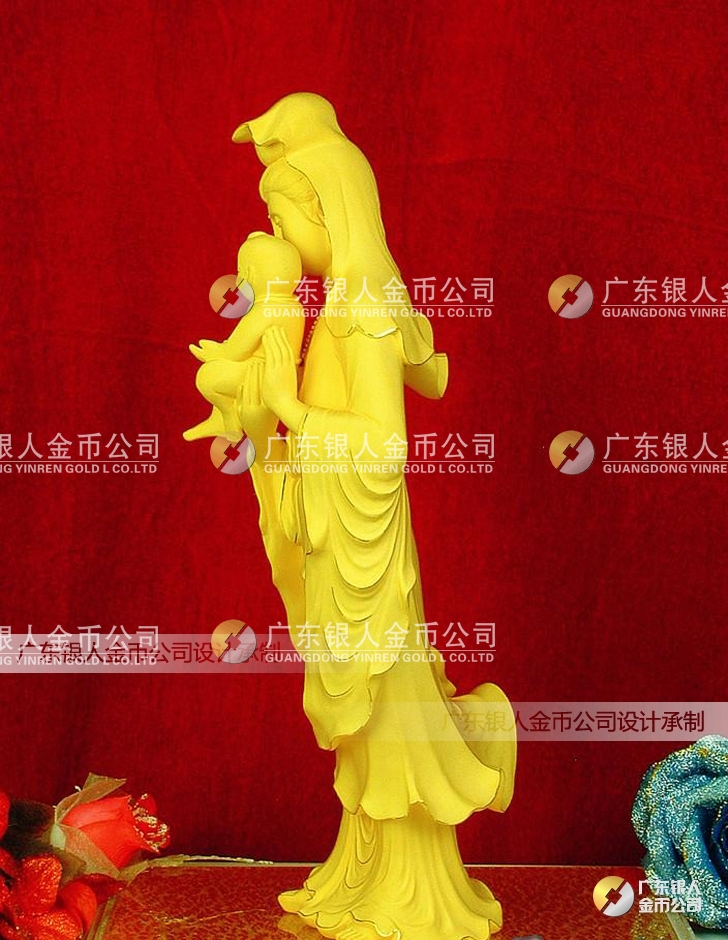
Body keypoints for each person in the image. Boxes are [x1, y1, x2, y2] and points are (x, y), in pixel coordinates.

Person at [233, 93, 516, 940]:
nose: (281, 237)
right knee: (358, 721)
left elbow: (386, 446)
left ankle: (410, 890)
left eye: (284, 217)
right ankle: (361, 871)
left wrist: (293, 408)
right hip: (336, 533)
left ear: (333, 210)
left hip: (369, 549)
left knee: (386, 712)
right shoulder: (332, 306)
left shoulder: (362, 308)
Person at [183, 231, 304, 443]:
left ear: (250, 274)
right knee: (223, 371)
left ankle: (228, 416)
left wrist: (214, 352)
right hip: (287, 373)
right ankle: (219, 418)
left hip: (264, 374)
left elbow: (237, 350)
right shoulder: (295, 306)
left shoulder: (265, 310)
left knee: (208, 376)